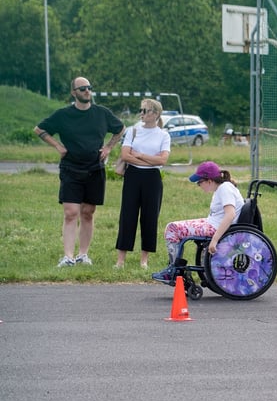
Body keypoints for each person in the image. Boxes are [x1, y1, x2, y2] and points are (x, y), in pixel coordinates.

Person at [33, 77, 125, 267]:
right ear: (73, 92)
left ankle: (83, 255)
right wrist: (58, 146)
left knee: (88, 212)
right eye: (82, 88)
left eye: (89, 88)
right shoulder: (63, 114)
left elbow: (120, 129)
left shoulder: (101, 113)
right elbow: (39, 129)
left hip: (94, 168)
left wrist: (108, 147)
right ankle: (68, 257)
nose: (87, 91)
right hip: (71, 168)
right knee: (71, 212)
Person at [152, 161, 244, 283]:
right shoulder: (223, 188)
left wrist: (215, 240)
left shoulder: (224, 189)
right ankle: (175, 268)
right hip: (213, 223)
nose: (199, 185)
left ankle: (173, 271)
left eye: (199, 182)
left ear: (209, 180)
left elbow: (230, 214)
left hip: (216, 227)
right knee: (173, 227)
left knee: (172, 228)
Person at [115, 99, 171, 269]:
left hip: (152, 178)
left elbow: (162, 160)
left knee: (150, 217)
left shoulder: (163, 135)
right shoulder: (133, 131)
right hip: (133, 175)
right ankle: (120, 259)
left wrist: (140, 156)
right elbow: (125, 155)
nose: (141, 113)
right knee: (128, 215)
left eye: (145, 110)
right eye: (141, 110)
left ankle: (144, 259)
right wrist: (149, 160)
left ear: (155, 114)